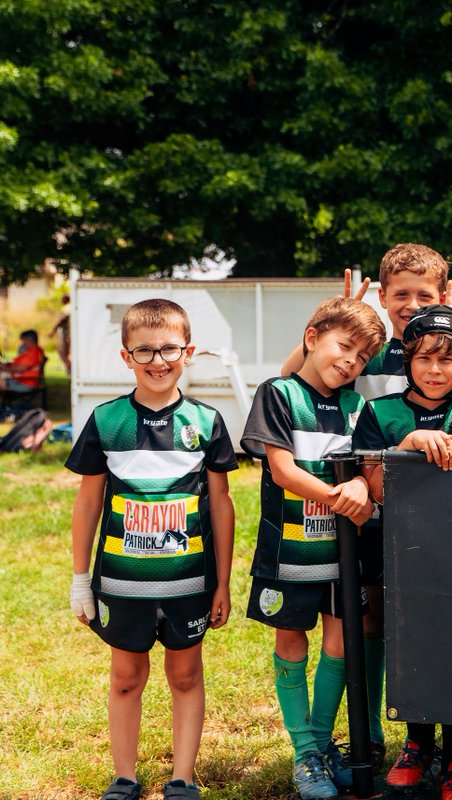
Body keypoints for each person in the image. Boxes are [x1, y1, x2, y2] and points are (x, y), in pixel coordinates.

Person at [66, 299, 237, 800]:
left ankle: (182, 778)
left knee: (185, 675)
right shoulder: (106, 419)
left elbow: (222, 505)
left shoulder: (207, 421)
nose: (158, 361)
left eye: (169, 349)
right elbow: (87, 502)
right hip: (123, 582)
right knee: (125, 675)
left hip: (189, 583)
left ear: (189, 351)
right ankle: (125, 777)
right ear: (125, 357)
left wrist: (223, 582)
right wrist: (81, 579)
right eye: (145, 351)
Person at [241, 296, 385, 799]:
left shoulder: (358, 406)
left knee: (341, 647)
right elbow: (282, 471)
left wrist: (364, 489)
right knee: (291, 646)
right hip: (288, 555)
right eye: (343, 347)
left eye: (362, 358)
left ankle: (320, 747)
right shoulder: (278, 393)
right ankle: (303, 751)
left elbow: (368, 471)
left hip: (344, 556)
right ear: (312, 337)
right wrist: (342, 498)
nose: (350, 361)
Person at [353, 305, 452, 800]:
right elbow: (375, 487)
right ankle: (417, 744)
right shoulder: (380, 412)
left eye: (448, 360)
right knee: (412, 651)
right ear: (406, 359)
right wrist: (407, 443)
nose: (434, 370)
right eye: (423, 358)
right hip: (398, 555)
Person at [54, 293, 72, 376]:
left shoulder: (66, 308)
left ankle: (69, 369)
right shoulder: (72, 307)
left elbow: (60, 321)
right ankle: (69, 369)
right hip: (70, 334)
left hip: (67, 335)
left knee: (63, 352)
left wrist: (52, 331)